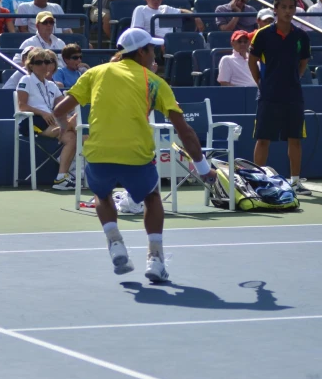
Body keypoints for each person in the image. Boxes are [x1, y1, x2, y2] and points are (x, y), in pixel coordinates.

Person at [53, 28, 216, 281]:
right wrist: (204, 170)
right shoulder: (155, 82)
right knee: (152, 197)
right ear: (141, 52)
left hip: (98, 155)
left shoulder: (95, 73)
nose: (156, 54)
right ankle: (155, 259)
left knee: (102, 195)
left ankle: (114, 241)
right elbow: (186, 132)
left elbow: (60, 108)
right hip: (137, 157)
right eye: (152, 49)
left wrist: (64, 126)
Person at [249, 0, 312, 196]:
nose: (287, 11)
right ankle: (258, 181)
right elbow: (252, 60)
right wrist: (261, 82)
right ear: (275, 10)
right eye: (283, 7)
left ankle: (295, 182)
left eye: (291, 7)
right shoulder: (263, 34)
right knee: (263, 138)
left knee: (295, 139)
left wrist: (295, 78)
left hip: (293, 95)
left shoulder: (301, 36)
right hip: (268, 95)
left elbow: (303, 62)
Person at [16, 47, 77, 191]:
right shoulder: (26, 80)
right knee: (78, 132)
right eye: (39, 62)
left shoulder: (51, 85)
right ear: (31, 65)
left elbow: (64, 106)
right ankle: (78, 173)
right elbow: (22, 106)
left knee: (72, 137)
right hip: (32, 121)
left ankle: (62, 177)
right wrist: (42, 113)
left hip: (50, 122)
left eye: (46, 62)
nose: (44, 65)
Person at [131, 0, 203, 37]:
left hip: (169, 41)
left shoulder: (165, 8)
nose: (156, 0)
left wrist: (196, 17)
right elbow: (138, 32)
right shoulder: (140, 9)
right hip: (151, 43)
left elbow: (182, 11)